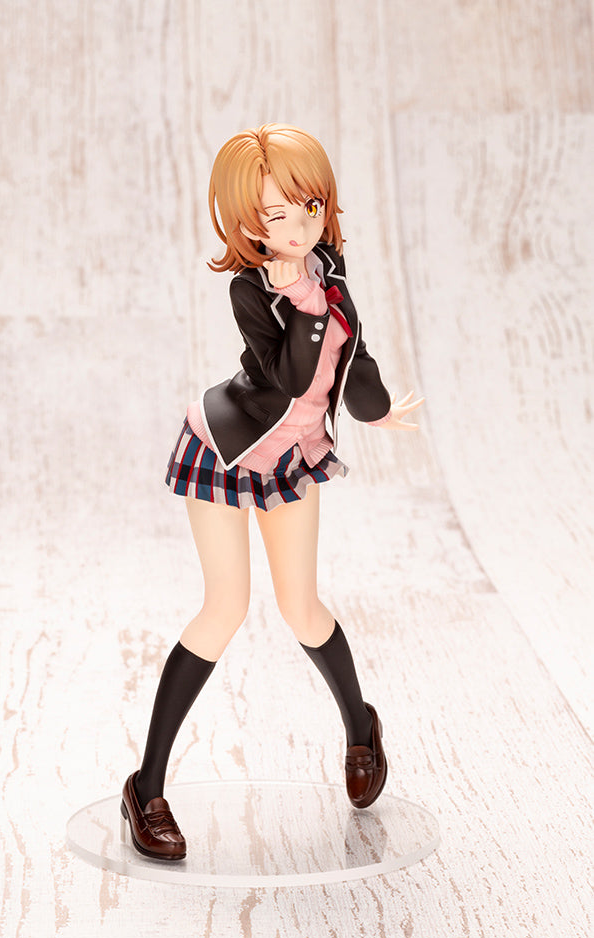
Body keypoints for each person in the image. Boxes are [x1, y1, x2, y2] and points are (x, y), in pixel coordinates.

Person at [120, 123, 423, 861]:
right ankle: (145, 787)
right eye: (275, 215)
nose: (297, 227)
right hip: (226, 451)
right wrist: (307, 306)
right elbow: (287, 378)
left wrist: (378, 408)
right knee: (224, 607)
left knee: (301, 606)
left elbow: (354, 364)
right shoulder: (252, 290)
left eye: (308, 207)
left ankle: (360, 729)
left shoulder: (332, 279)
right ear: (247, 224)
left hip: (292, 457)